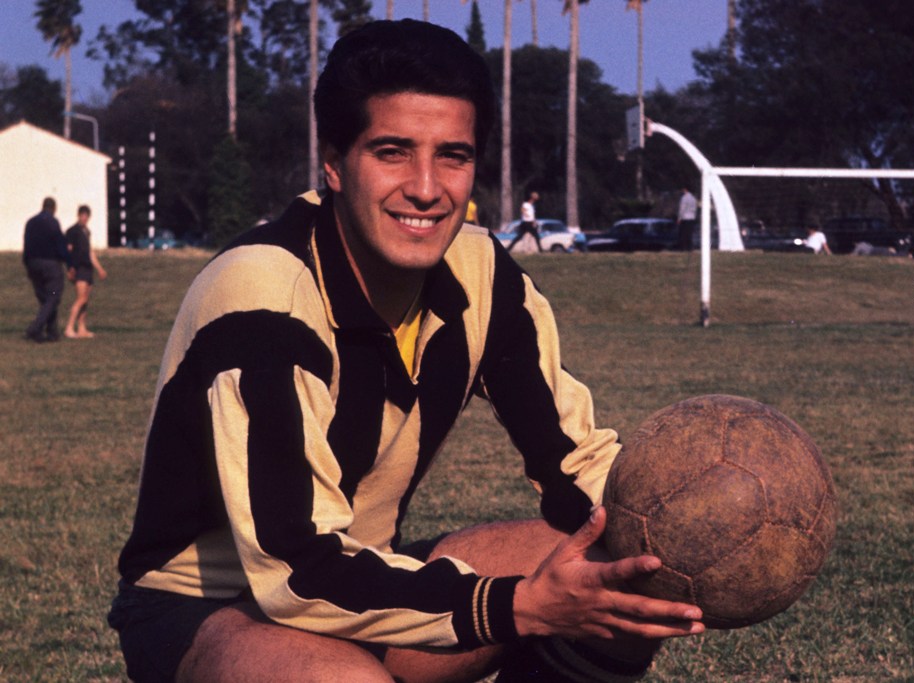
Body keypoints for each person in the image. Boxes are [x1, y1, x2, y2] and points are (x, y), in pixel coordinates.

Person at [107, 20, 703, 683]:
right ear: (334, 162)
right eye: (392, 151)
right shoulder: (262, 296)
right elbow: (294, 568)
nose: (426, 187)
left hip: (359, 573)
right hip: (207, 605)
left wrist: (676, 537)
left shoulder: (481, 273)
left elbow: (576, 465)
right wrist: (516, 605)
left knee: (617, 570)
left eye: (452, 154)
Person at [22, 197, 73, 343]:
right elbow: (60, 245)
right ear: (54, 208)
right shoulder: (52, 222)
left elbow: (26, 244)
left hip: (33, 264)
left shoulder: (30, 222)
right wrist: (70, 265)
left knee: (45, 299)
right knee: (53, 296)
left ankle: (52, 332)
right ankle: (35, 328)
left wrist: (27, 264)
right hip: (50, 265)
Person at [64, 204, 108, 339]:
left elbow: (90, 252)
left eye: (86, 216)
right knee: (81, 298)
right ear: (78, 215)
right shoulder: (72, 231)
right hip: (79, 268)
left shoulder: (87, 232)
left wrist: (99, 268)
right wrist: (70, 268)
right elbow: (68, 251)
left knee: (86, 300)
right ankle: (69, 328)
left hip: (88, 268)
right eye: (82, 215)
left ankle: (82, 328)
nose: (84, 218)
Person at [676, 186, 698, 251]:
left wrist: (679, 218)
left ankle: (682, 248)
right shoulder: (693, 198)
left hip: (685, 218)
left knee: (683, 234)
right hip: (692, 218)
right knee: (689, 234)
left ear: (685, 189)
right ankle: (690, 248)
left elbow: (682, 209)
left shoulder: (684, 198)